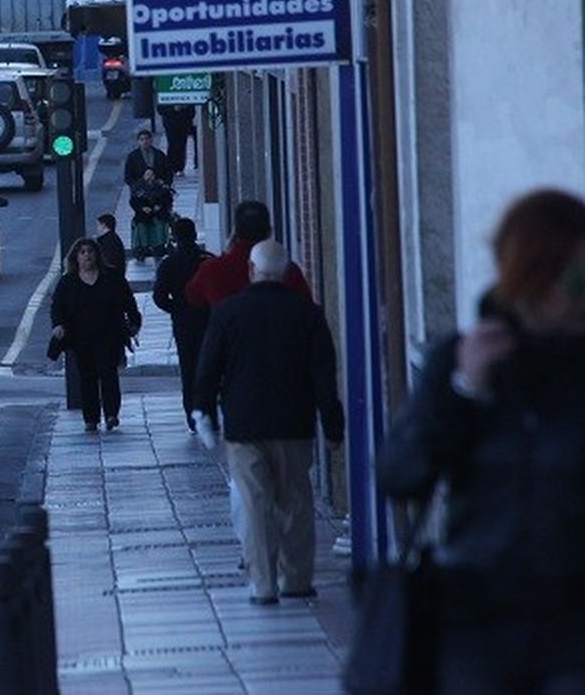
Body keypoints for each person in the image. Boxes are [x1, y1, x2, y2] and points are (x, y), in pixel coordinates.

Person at [377, 189, 585, 692]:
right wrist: (464, 390)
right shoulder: (463, 357)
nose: (572, 294)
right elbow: (401, 473)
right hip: (477, 619)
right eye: (562, 277)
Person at [194, 239, 344, 605]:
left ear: (251, 270)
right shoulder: (307, 313)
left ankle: (262, 585)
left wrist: (204, 413)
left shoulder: (228, 312)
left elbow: (208, 368)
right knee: (294, 500)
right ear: (288, 272)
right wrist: (333, 425)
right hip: (294, 421)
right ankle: (296, 579)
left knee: (253, 504)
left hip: (245, 424)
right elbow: (324, 373)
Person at [48, 237, 142, 431]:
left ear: (97, 255)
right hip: (80, 338)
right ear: (76, 257)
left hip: (109, 335)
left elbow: (128, 301)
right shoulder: (68, 282)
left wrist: (134, 322)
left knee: (109, 374)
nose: (86, 255)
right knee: (87, 377)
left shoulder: (112, 277)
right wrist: (58, 325)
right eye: (82, 252)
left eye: (90, 251)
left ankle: (111, 414)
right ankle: (90, 418)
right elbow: (57, 307)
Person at [184, 199, 311, 308]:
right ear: (269, 232)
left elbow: (192, 297)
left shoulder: (212, 269)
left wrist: (225, 255)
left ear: (234, 233)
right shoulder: (286, 269)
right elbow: (307, 305)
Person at [152, 217, 213, 431]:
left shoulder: (169, 263)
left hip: (184, 322)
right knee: (210, 367)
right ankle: (211, 412)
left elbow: (159, 296)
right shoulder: (207, 260)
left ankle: (193, 416)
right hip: (209, 319)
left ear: (174, 237)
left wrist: (176, 309)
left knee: (188, 369)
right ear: (195, 235)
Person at [160, 104, 196, 175]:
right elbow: (161, 109)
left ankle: (179, 167)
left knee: (182, 145)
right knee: (173, 144)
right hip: (171, 123)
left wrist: (185, 107)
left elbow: (192, 111)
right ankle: (172, 167)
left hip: (183, 122)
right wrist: (173, 109)